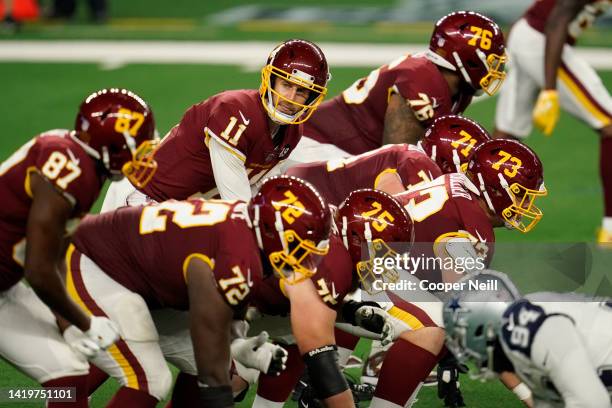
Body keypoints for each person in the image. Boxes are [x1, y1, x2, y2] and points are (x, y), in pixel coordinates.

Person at [67, 175, 345, 407]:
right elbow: (209, 347)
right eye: (300, 250)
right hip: (95, 265)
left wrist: (236, 342)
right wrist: (228, 353)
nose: (306, 264)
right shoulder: (235, 253)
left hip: (142, 282)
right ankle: (63, 396)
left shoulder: (247, 234)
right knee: (151, 379)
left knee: (205, 366)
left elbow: (221, 314)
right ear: (272, 230)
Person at [0, 88, 157, 406]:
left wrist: (69, 324)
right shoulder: (71, 169)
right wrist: (85, 322)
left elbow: (56, 252)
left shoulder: (81, 162)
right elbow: (39, 268)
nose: (145, 155)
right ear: (113, 145)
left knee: (68, 376)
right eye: (139, 145)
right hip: (10, 281)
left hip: (6, 284)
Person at [101, 38, 330, 211]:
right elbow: (237, 207)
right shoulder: (235, 112)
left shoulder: (291, 133)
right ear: (270, 80)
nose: (290, 97)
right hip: (145, 198)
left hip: (179, 209)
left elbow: (255, 189)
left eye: (301, 91)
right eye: (286, 85)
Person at [287, 11, 506, 165]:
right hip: (318, 148)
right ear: (464, 58)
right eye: (490, 59)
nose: (495, 68)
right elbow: (394, 161)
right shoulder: (421, 81)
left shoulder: (456, 86)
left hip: (347, 154)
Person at [493, 0, 612, 244]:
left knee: (505, 136)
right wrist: (550, 90)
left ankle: (460, 211)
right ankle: (611, 228)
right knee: (609, 124)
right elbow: (558, 18)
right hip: (541, 39)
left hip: (527, 35)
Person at [444, 270, 612, 407]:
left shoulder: (528, 330)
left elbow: (592, 403)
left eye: (462, 334)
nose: (465, 349)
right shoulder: (518, 341)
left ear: (483, 325)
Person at [285, 114, 491, 205]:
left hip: (308, 184)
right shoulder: (418, 165)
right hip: (294, 193)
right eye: (469, 167)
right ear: (447, 162)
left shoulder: (414, 158)